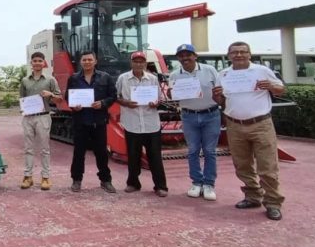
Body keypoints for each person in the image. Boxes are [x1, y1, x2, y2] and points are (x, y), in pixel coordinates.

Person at [212, 41, 286, 221]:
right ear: (228, 55)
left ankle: (273, 203)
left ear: (249, 54)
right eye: (234, 52)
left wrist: (270, 86)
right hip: (234, 125)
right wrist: (217, 97)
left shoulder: (261, 71)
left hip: (260, 123)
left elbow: (281, 90)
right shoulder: (224, 74)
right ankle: (253, 196)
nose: (238, 55)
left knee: (267, 166)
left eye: (242, 52)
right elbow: (222, 102)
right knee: (242, 165)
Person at [169, 44, 221, 201]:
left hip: (211, 114)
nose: (185, 58)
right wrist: (173, 94)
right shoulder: (174, 75)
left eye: (188, 55)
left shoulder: (209, 70)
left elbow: (219, 91)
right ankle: (196, 182)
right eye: (181, 55)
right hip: (189, 116)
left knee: (210, 151)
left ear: (195, 56)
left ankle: (209, 184)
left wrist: (219, 95)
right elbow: (174, 97)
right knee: (192, 150)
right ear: (178, 58)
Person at [115, 51, 168, 197]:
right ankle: (133, 183)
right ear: (131, 63)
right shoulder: (123, 79)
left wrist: (155, 103)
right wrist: (125, 102)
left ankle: (160, 186)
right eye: (136, 61)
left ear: (145, 63)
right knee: (133, 155)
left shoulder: (152, 78)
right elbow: (117, 97)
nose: (139, 64)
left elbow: (160, 98)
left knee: (155, 156)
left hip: (151, 123)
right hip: (131, 123)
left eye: (141, 61)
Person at [66, 51, 117, 194]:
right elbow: (68, 97)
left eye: (90, 59)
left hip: (98, 121)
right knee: (78, 153)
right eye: (84, 60)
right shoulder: (74, 79)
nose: (87, 62)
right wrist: (73, 106)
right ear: (80, 62)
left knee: (101, 153)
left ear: (95, 61)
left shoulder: (105, 77)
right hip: (80, 121)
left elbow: (113, 96)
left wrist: (102, 103)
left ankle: (105, 180)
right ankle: (76, 180)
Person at [19, 51, 62, 190]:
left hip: (43, 116)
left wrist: (50, 94)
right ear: (31, 63)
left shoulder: (50, 80)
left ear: (44, 63)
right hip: (28, 117)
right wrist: (23, 108)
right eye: (35, 61)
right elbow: (22, 99)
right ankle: (28, 176)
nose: (37, 63)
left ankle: (45, 177)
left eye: (39, 61)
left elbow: (59, 98)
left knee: (45, 149)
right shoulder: (25, 80)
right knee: (28, 148)